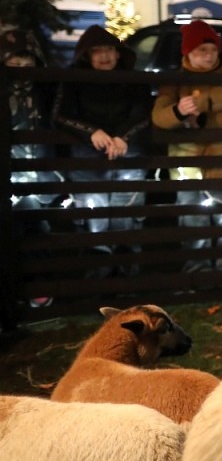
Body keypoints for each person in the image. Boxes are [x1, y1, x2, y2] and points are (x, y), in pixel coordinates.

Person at [151, 19, 222, 273]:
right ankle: (197, 277)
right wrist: (177, 111)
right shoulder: (175, 82)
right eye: (202, 50)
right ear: (188, 52)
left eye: (212, 50)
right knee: (193, 224)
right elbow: (159, 117)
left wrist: (207, 118)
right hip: (187, 167)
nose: (209, 56)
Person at [52, 25, 153, 277]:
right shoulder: (74, 79)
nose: (104, 56)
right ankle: (97, 283)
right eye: (96, 51)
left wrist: (123, 136)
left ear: (118, 53)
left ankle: (129, 282)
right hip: (87, 163)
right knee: (92, 222)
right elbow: (60, 114)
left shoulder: (134, 79)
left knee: (127, 220)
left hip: (128, 158)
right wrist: (91, 132)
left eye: (108, 49)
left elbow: (144, 113)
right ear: (87, 55)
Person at [3, 29, 62, 308]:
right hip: (8, 173)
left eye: (27, 62)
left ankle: (40, 290)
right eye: (14, 63)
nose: (21, 68)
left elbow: (57, 124)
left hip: (39, 172)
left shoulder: (46, 89)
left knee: (37, 229)